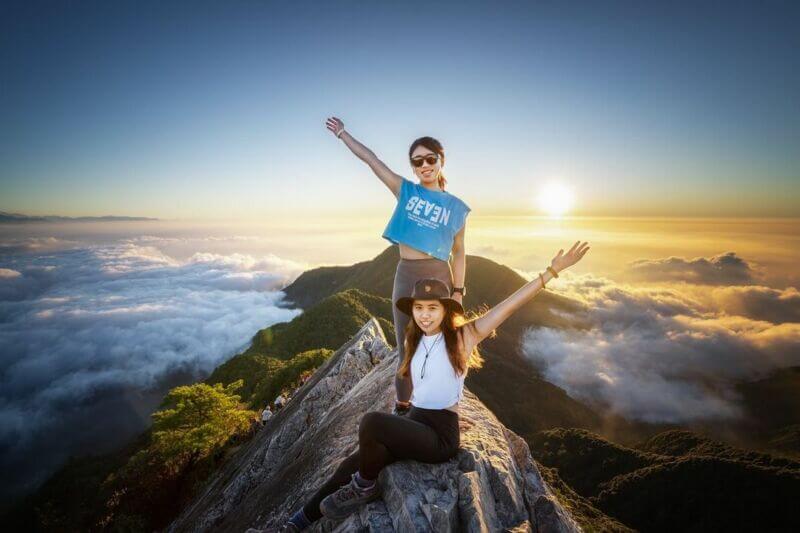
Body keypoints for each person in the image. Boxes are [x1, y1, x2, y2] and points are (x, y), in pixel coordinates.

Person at [253, 241, 590, 532]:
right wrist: (431, 410)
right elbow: (427, 388)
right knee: (353, 461)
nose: (426, 315)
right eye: (419, 308)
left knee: (371, 423)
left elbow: (507, 307)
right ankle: (292, 525)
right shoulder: (415, 340)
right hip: (417, 422)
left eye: (433, 308)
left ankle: (365, 487)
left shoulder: (463, 337)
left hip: (439, 439)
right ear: (412, 311)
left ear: (446, 311)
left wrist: (550, 272)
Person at [325, 117, 470, 417]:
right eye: (418, 162)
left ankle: (445, 408)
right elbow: (371, 160)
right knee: (406, 344)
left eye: (431, 159)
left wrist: (457, 292)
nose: (425, 166)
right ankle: (404, 404)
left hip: (440, 277)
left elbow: (459, 251)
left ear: (441, 161)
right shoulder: (406, 192)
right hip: (406, 275)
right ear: (413, 167)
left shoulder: (456, 208)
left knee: (441, 345)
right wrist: (343, 134)